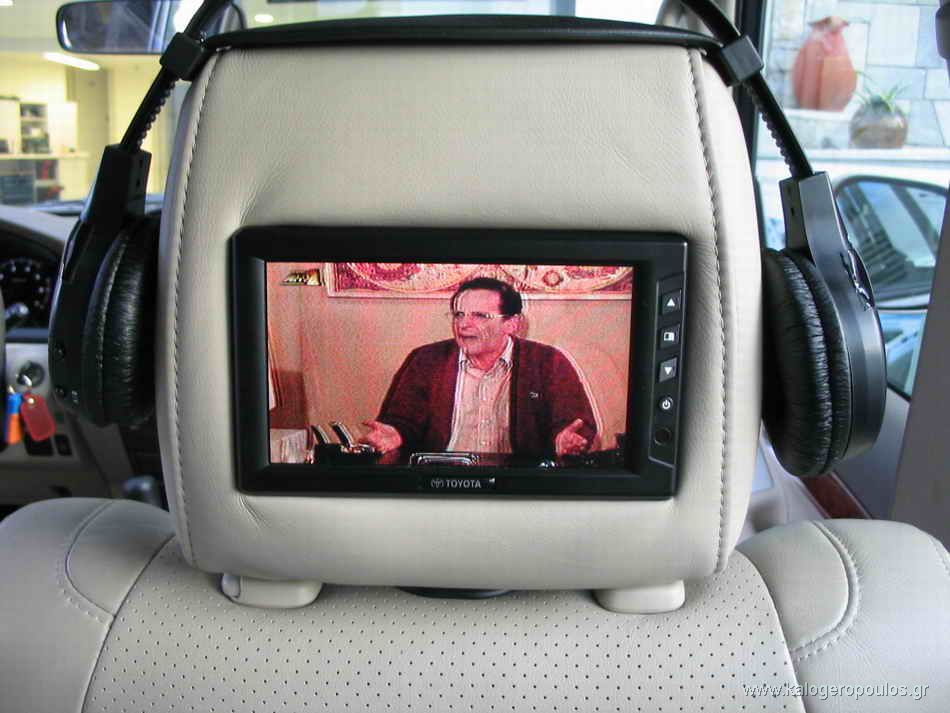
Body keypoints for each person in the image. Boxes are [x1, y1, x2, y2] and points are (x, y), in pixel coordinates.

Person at [360, 277, 596, 459]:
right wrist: (397, 434)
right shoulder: (425, 360)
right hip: (441, 479)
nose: (463, 324)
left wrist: (563, 440)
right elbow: (403, 421)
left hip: (516, 485)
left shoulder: (548, 362)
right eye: (459, 315)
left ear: (511, 323)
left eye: (480, 316)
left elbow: (573, 424)